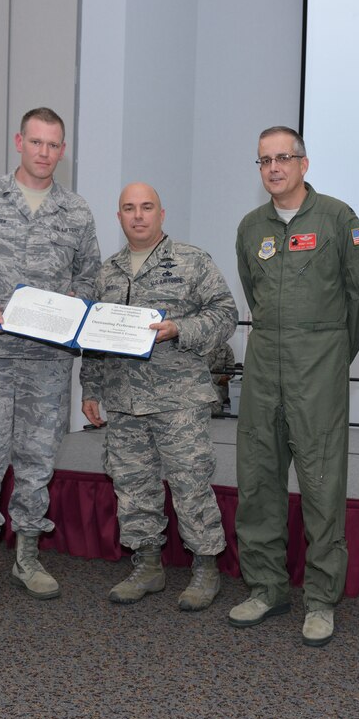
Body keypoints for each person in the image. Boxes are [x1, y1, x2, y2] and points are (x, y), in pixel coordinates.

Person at [0, 107, 101, 612]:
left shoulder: (76, 211)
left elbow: (91, 276)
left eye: (54, 145)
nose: (44, 153)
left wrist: (76, 298)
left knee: (36, 458)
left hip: (48, 358)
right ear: (19, 142)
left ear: (63, 150)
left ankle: (28, 556)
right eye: (36, 143)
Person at [230, 126, 359, 646]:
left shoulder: (339, 219)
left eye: (284, 158)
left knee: (321, 488)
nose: (274, 168)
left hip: (317, 374)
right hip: (263, 374)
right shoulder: (251, 228)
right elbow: (254, 295)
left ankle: (321, 599)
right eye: (264, 160)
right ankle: (266, 587)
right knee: (258, 484)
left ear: (304, 163)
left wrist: (332, 356)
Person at [80, 182, 237, 612]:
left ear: (161, 213)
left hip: (178, 399)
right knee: (132, 486)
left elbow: (225, 314)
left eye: (146, 207)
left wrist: (180, 330)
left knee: (190, 484)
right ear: (119, 217)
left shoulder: (191, 261)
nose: (138, 215)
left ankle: (205, 567)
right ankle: (147, 565)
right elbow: (93, 334)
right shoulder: (107, 271)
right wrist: (91, 387)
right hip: (123, 400)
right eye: (128, 208)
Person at [206, 341, 236, 416]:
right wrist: (217, 379)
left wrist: (227, 378)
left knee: (216, 399)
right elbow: (198, 370)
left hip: (220, 385)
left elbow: (231, 370)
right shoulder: (203, 346)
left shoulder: (226, 348)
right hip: (203, 381)